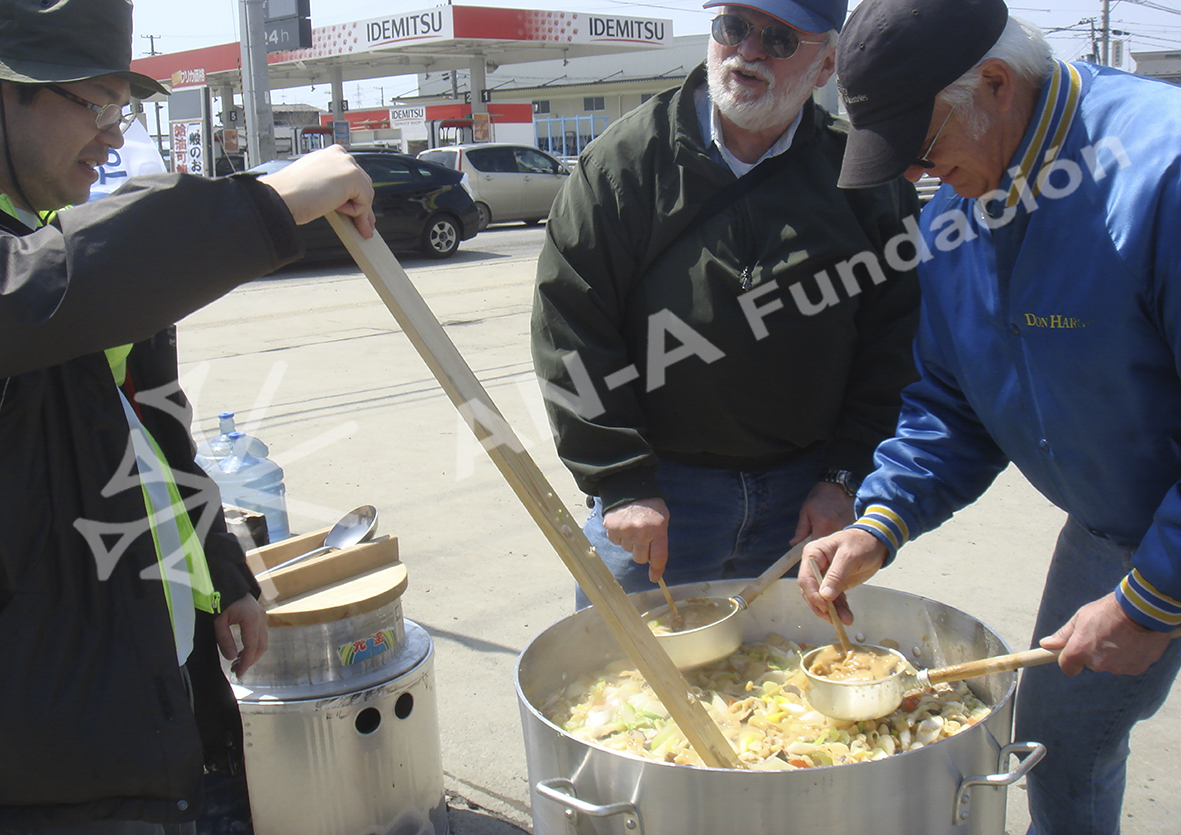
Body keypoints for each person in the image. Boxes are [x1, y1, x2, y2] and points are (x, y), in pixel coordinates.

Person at [798, 0, 1181, 832]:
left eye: (922, 146)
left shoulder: (1162, 175)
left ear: (996, 84)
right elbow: (952, 400)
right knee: (1057, 738)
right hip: (1118, 517)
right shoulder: (953, 213)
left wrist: (1154, 596)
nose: (913, 176)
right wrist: (879, 518)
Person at [0, 1, 376, 832]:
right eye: (91, 103)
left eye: (120, 109)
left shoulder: (64, 238)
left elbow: (155, 432)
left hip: (145, 685)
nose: (109, 132)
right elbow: (35, 294)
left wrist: (222, 569)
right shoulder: (44, 268)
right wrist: (265, 204)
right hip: (49, 756)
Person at [531, 0, 921, 607]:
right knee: (626, 688)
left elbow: (896, 343)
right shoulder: (623, 166)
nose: (749, 50)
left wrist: (845, 476)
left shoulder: (865, 178)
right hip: (660, 495)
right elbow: (572, 331)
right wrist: (621, 481)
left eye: (779, 38)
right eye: (733, 27)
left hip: (807, 500)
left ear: (826, 67)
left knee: (784, 690)